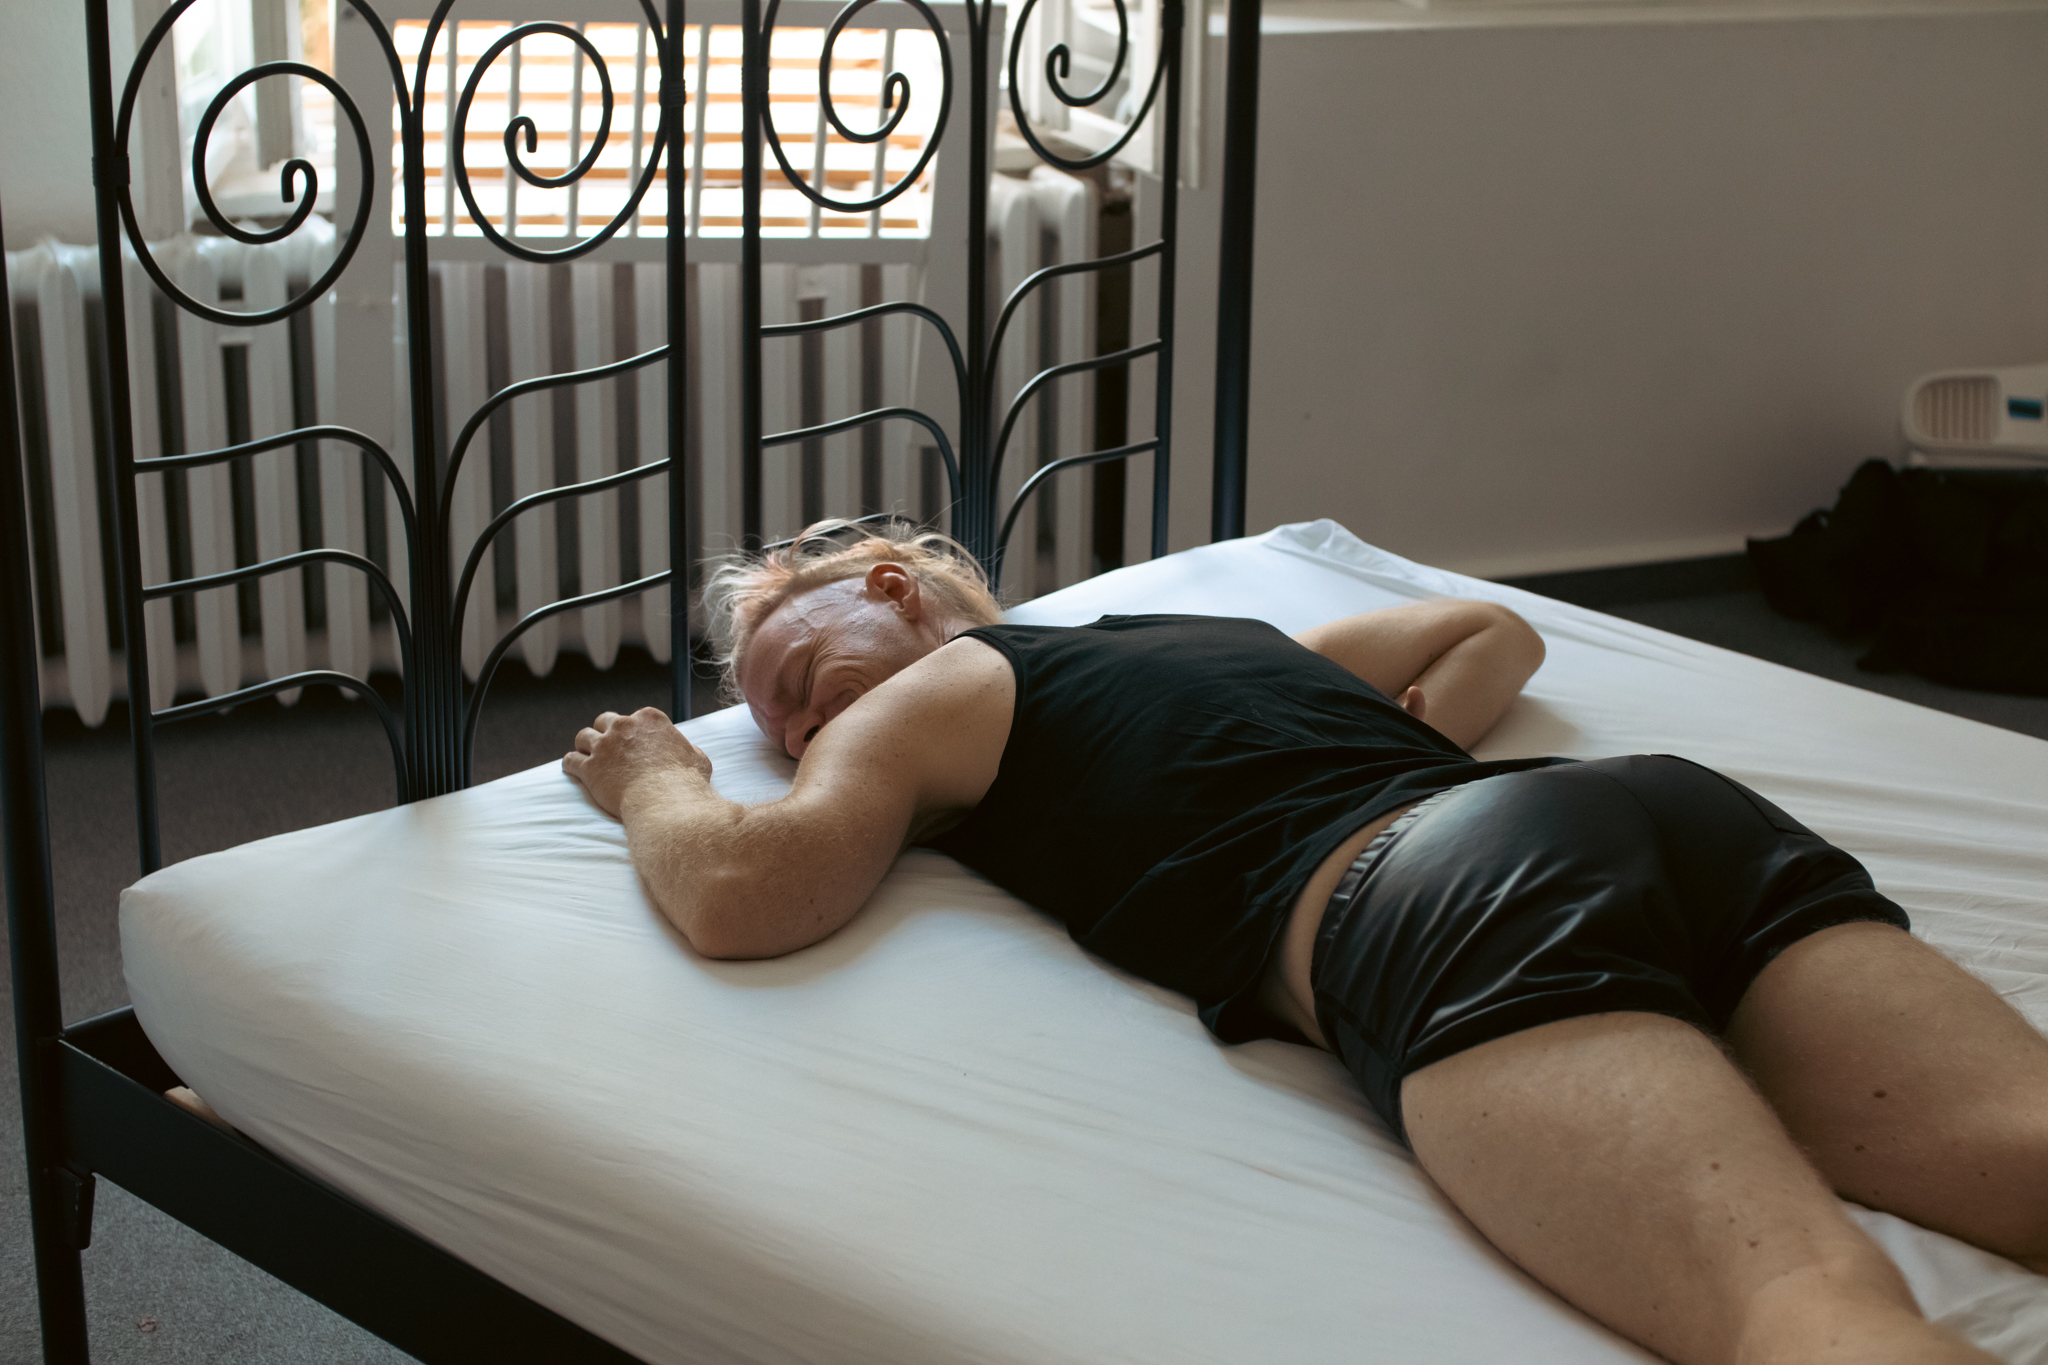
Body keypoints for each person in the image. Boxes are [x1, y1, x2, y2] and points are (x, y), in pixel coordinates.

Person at [563, 521, 2048, 1365]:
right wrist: (1411, 749)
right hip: (1657, 814)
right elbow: (1489, 633)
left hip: (1440, 895)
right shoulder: (1208, 637)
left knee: (1797, 1303)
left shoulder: (930, 692)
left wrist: (656, 780)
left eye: (796, 677)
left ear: (891, 586)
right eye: (772, 724)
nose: (797, 729)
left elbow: (747, 891)